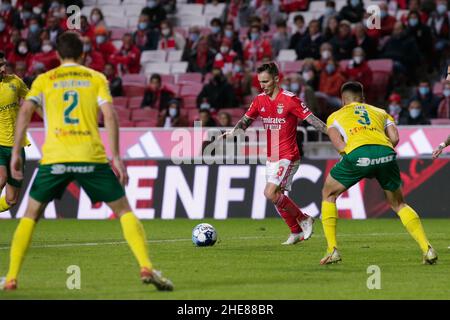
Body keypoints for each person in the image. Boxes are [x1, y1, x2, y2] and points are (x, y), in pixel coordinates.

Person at [0, 32, 173, 291]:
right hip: (90, 156)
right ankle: (145, 266)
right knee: (124, 211)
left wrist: (15, 152)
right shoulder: (96, 78)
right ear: (82, 54)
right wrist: (116, 157)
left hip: (55, 157)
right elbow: (110, 116)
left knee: (30, 215)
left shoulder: (45, 80)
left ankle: (12, 278)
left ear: (57, 55)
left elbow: (25, 110)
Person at [319, 81, 437, 265]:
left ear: (343, 100)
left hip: (358, 154)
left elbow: (338, 144)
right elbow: (395, 138)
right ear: (363, 97)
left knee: (329, 194)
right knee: (398, 203)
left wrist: (355, 159)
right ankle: (427, 248)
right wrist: (379, 158)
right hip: (386, 153)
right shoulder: (381, 112)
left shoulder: (335, 115)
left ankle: (332, 249)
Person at [222, 62, 328, 245]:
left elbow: (312, 120)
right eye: (260, 82)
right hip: (272, 156)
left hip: (288, 155)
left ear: (276, 79)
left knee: (270, 193)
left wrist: (332, 134)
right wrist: (234, 133)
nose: (262, 86)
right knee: (277, 197)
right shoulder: (259, 100)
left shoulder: (290, 100)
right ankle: (295, 232)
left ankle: (304, 219)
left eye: (266, 81)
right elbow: (246, 121)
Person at [0, 51, 29, 214]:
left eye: (4, 63)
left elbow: (32, 98)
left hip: (17, 146)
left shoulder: (15, 82)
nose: (4, 67)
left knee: (11, 200)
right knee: (1, 178)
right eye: (0, 65)